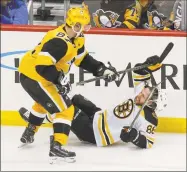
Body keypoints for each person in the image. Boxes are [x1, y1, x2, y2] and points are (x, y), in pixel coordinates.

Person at [18, 3, 118, 163]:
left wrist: (102, 70)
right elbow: (42, 66)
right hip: (36, 76)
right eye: (84, 25)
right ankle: (57, 147)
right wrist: (59, 79)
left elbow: (83, 59)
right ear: (75, 25)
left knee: (44, 103)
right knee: (65, 110)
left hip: (33, 74)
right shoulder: (60, 42)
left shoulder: (76, 38)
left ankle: (29, 131)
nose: (87, 28)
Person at [19, 55, 167, 149]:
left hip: (94, 133)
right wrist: (150, 64)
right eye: (142, 92)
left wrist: (134, 137)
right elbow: (139, 73)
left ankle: (38, 120)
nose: (139, 94)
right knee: (75, 99)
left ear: (150, 103)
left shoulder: (149, 119)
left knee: (66, 109)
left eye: (143, 96)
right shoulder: (142, 96)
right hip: (99, 115)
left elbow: (148, 142)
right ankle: (44, 120)